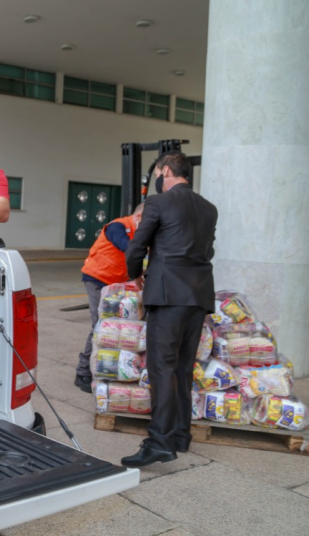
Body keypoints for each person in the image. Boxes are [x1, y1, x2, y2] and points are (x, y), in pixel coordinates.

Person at [121, 151, 217, 467]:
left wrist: (135, 273)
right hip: (198, 297)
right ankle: (180, 435)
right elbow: (208, 249)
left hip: (167, 294)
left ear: (164, 171)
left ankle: (159, 442)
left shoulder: (158, 203)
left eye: (158, 175)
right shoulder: (208, 208)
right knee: (182, 368)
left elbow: (138, 245)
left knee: (162, 367)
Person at [74, 203, 144, 393]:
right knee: (100, 325)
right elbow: (128, 248)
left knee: (114, 325)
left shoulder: (137, 232)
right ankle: (83, 372)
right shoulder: (117, 227)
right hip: (97, 279)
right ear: (138, 217)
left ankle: (107, 366)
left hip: (115, 283)